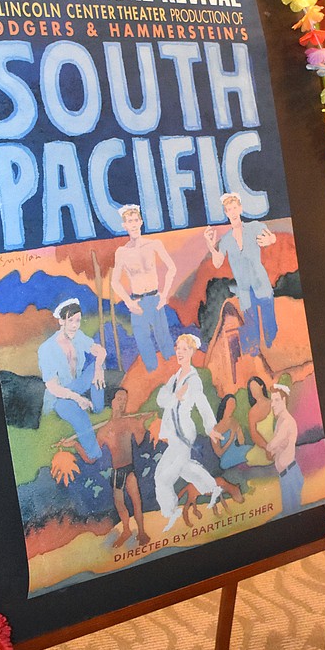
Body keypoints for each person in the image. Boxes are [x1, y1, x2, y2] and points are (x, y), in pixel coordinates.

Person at [152, 333, 222, 532]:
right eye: (178, 348)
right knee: (184, 468)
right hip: (174, 435)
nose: (179, 352)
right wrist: (174, 396)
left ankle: (170, 511)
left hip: (183, 434)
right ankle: (213, 488)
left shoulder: (193, 379)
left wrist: (210, 428)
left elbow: (203, 405)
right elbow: (161, 400)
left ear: (192, 352)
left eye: (184, 349)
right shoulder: (175, 377)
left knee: (163, 477)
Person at [204, 192, 277, 353]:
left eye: (235, 208)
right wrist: (210, 246)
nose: (233, 212)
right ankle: (255, 356)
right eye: (229, 209)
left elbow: (271, 237)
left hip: (261, 283)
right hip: (243, 288)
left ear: (241, 209)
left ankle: (273, 347)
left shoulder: (254, 227)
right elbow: (217, 263)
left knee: (269, 322)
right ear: (226, 213)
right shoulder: (226, 239)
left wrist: (270, 240)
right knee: (251, 325)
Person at [38, 298, 107, 461]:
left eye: (78, 320)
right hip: (59, 396)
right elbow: (52, 387)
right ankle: (95, 455)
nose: (75, 325)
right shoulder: (47, 349)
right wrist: (77, 398)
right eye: (71, 321)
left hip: (77, 385)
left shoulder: (77, 336)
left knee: (99, 367)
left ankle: (97, 408)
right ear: (61, 321)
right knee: (79, 416)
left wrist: (97, 369)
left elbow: (100, 351)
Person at [111, 204, 177, 372]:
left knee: (164, 339)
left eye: (135, 220)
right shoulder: (122, 252)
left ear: (140, 222)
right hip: (137, 302)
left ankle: (172, 373)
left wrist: (165, 296)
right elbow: (115, 282)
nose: (133, 224)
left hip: (155, 299)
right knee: (143, 342)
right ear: (124, 226)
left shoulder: (154, 244)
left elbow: (172, 268)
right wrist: (129, 303)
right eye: (129, 221)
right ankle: (153, 377)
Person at [95, 387, 149, 547]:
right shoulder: (104, 430)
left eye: (124, 400)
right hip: (117, 471)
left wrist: (141, 425)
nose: (122, 403)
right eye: (119, 399)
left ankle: (141, 532)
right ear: (111, 402)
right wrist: (75, 444)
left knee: (136, 501)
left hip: (129, 468)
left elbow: (140, 441)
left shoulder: (129, 421)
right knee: (120, 504)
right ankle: (126, 530)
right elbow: (91, 457)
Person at [267, 380, 304, 515]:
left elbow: (272, 445)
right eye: (272, 401)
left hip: (290, 475)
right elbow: (275, 447)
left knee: (291, 515)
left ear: (284, 399)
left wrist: (271, 447)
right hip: (286, 475)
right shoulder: (281, 421)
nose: (273, 405)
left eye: (276, 400)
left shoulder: (287, 422)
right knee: (289, 513)